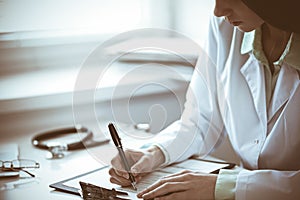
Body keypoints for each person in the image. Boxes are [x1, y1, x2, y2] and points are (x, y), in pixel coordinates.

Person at [109, 0, 300, 199]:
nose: (218, 11)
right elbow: (201, 120)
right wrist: (155, 153)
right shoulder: (225, 26)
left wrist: (226, 187)